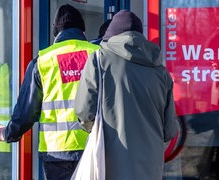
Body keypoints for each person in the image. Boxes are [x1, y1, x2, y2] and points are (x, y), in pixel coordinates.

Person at [0, 4, 99, 180]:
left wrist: (7, 133)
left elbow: (26, 111)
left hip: (56, 153)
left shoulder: (42, 61)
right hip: (93, 147)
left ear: (55, 35)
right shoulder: (98, 55)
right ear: (82, 32)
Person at [74, 10, 178, 180]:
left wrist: (97, 130)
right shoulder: (161, 71)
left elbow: (84, 112)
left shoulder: (98, 60)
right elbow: (170, 130)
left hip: (108, 162)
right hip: (150, 167)